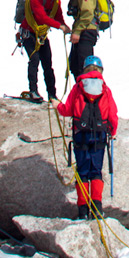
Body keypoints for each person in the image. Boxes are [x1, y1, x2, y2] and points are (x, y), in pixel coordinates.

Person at [51, 55, 118, 219]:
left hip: (80, 135)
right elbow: (112, 114)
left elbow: (67, 110)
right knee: (96, 171)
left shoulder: (78, 87)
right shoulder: (105, 89)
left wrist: (56, 105)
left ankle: (82, 211)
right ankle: (97, 209)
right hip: (100, 135)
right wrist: (113, 131)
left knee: (82, 172)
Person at [19, 0, 73, 101]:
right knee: (34, 60)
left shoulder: (55, 1)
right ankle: (33, 91)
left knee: (47, 64)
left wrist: (65, 26)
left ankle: (52, 94)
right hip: (28, 33)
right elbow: (42, 17)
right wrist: (60, 26)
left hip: (40, 35)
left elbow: (58, 17)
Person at [67, 0, 99, 78]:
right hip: (83, 30)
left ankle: (87, 88)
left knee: (84, 67)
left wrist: (77, 32)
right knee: (75, 65)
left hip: (87, 30)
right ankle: (80, 88)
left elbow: (88, 12)